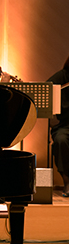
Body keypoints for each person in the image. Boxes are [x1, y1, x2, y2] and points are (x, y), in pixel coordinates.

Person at [47, 54, 69, 196]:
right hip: (64, 125)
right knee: (61, 140)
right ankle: (67, 182)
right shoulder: (62, 76)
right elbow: (46, 90)